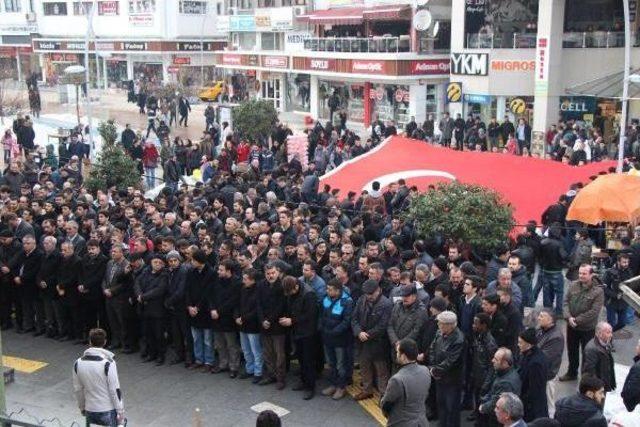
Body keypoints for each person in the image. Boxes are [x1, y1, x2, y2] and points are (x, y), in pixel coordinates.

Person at [560, 264, 604, 382]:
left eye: (584, 274)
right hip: (571, 327)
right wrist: (568, 317)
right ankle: (571, 372)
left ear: (591, 274)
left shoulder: (598, 291)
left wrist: (577, 320)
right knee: (572, 351)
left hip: (587, 329)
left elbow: (594, 312)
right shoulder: (573, 285)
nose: (581, 276)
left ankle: (585, 377)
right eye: (580, 273)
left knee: (587, 354)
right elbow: (565, 302)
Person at [72, 328, 125, 427]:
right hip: (107, 409)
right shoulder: (108, 364)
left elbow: (78, 389)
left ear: (90, 342)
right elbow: (115, 390)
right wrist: (120, 411)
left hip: (90, 409)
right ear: (104, 342)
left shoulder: (77, 363)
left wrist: (82, 407)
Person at [351, 279, 393, 400]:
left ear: (378, 290)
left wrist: (366, 334)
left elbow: (383, 325)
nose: (368, 296)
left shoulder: (386, 304)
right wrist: (358, 332)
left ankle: (384, 395)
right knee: (365, 367)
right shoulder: (362, 299)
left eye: (371, 294)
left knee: (381, 371)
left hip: (378, 343)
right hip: (362, 342)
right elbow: (354, 318)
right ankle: (367, 390)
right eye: (367, 294)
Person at [280, 275, 319, 400]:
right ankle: (303, 381)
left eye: (291, 292)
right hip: (297, 331)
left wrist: (292, 320)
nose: (289, 294)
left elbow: (310, 316)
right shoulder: (293, 291)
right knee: (301, 359)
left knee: (308, 360)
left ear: (296, 286)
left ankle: (310, 387)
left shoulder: (309, 294)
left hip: (308, 333)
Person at [380, 338, 430, 427]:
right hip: (421, 422)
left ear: (403, 356)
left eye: (397, 352)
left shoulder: (397, 380)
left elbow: (386, 404)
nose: (396, 355)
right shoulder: (425, 371)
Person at [428, 310, 465, 427]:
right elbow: (432, 348)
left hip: (452, 380)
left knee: (452, 408)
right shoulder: (439, 332)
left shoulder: (459, 339)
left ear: (450, 325)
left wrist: (435, 370)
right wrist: (433, 367)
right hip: (439, 377)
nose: (438, 325)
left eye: (441, 323)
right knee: (441, 405)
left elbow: (451, 361)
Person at [318, 279, 352, 401]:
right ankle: (333, 384)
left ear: (338, 291)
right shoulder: (326, 299)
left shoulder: (346, 302)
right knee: (331, 363)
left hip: (340, 340)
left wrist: (334, 331)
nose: (327, 291)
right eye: (327, 289)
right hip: (327, 337)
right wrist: (322, 327)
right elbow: (321, 315)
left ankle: (341, 387)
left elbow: (346, 321)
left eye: (330, 289)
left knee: (340, 364)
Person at [387, 283, 427, 371]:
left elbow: (416, 331)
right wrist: (395, 341)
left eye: (407, 296)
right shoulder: (397, 306)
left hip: (409, 351)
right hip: (395, 347)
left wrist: (402, 344)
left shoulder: (421, 311)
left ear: (414, 296)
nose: (404, 298)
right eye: (402, 296)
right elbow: (390, 325)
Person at [478, 348, 522, 427]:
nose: (492, 360)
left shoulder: (505, 383)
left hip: (498, 421)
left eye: (496, 359)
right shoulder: (506, 372)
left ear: (505, 363)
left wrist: (483, 407)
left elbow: (495, 403)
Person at [536, 308, 565, 418]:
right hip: (540, 374)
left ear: (551, 320)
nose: (539, 318)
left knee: (549, 405)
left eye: (542, 316)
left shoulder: (556, 337)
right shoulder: (541, 330)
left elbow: (544, 358)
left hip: (547, 376)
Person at [517, 327, 549, 421]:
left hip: (533, 408)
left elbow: (534, 390)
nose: (518, 345)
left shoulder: (536, 363)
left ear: (529, 344)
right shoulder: (526, 354)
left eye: (520, 343)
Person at [602, 253, 633, 331]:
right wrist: (615, 295)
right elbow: (604, 288)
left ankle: (610, 333)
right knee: (611, 323)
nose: (626, 264)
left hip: (623, 303)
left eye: (627, 262)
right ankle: (608, 338)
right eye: (624, 262)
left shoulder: (629, 271)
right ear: (618, 262)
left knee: (622, 323)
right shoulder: (609, 272)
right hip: (611, 302)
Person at [582, 322, 616, 393]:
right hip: (597, 388)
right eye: (608, 332)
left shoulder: (607, 341)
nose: (611, 335)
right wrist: (598, 389)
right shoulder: (591, 349)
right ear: (599, 334)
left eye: (611, 332)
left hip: (604, 382)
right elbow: (589, 372)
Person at [621, 338, 640, 411]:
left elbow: (631, 389)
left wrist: (624, 395)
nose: (636, 348)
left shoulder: (637, 368)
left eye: (638, 346)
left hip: (633, 405)